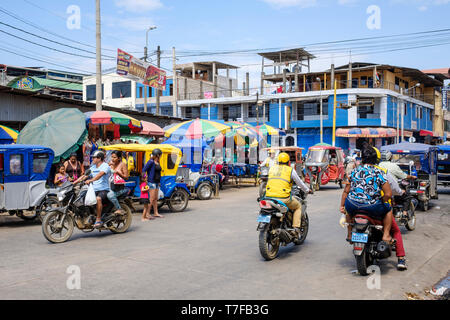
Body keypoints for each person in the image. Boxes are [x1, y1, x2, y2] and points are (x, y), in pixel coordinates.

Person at [340, 146, 394, 244]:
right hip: (372, 206)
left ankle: (349, 234)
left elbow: (346, 192)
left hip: (352, 204)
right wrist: (382, 200)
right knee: (388, 209)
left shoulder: (354, 171)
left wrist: (342, 206)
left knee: (348, 211)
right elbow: (388, 194)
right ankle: (386, 234)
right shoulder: (379, 172)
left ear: (362, 159)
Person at [265, 152, 311, 238]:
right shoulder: (290, 170)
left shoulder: (272, 168)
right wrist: (307, 190)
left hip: (269, 197)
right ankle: (296, 229)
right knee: (298, 206)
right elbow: (300, 182)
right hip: (283, 198)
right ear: (288, 162)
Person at [376, 163, 408, 271]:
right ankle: (401, 258)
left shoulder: (357, 171)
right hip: (380, 207)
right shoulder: (382, 172)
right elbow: (392, 190)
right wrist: (400, 192)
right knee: (396, 231)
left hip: (359, 207)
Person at [75, 150, 111, 228]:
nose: (92, 159)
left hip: (104, 189)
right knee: (82, 198)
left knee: (98, 199)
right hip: (93, 190)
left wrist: (91, 180)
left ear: (99, 158)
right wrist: (74, 183)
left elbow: (100, 175)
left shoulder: (105, 166)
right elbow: (84, 175)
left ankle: (98, 219)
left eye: (94, 158)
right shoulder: (93, 167)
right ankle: (88, 215)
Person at [379, 150, 416, 218]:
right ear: (390, 157)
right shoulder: (393, 166)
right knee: (407, 196)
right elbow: (403, 176)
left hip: (380, 190)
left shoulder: (378, 166)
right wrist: (412, 177)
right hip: (391, 190)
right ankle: (404, 214)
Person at [142, 149, 163, 218]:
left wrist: (159, 182)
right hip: (152, 182)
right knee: (151, 199)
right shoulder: (151, 162)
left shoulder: (157, 162)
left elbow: (158, 172)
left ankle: (156, 213)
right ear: (157, 155)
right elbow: (143, 170)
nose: (160, 156)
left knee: (155, 198)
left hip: (156, 182)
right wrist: (145, 179)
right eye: (160, 155)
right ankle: (147, 214)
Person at [107, 151, 129, 215]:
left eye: (114, 157)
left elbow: (126, 177)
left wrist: (119, 173)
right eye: (112, 157)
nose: (112, 159)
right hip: (109, 186)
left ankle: (119, 209)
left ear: (119, 158)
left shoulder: (122, 164)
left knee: (110, 195)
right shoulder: (110, 164)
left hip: (119, 188)